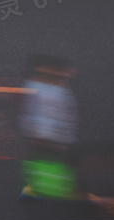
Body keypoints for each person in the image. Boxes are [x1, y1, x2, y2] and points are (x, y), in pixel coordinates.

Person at [19, 56, 78, 199]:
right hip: (42, 139)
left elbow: (67, 114)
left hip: (52, 140)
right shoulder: (34, 85)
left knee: (52, 184)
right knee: (42, 181)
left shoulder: (62, 90)